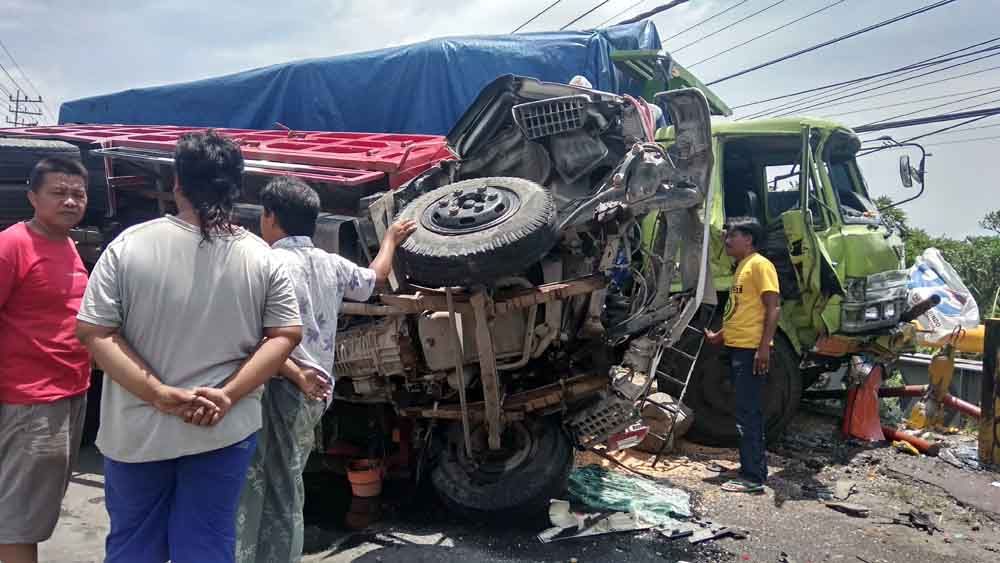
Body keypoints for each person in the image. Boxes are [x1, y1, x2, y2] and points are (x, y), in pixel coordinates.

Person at [75, 131, 303, 563]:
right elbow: (286, 335)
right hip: (224, 428)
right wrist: (227, 395)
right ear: (237, 187)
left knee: (133, 545)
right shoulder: (262, 257)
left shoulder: (129, 245)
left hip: (137, 431)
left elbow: (95, 332)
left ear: (177, 182)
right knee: (206, 543)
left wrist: (160, 395)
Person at [235, 176, 416, 563]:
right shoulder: (330, 264)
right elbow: (375, 279)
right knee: (289, 475)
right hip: (318, 390)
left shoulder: (266, 264)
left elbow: (258, 338)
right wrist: (390, 242)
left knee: (263, 483)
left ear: (269, 217)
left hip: (281, 384)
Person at [0, 157, 91, 563]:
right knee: (19, 519)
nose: (70, 201)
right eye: (59, 192)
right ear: (32, 197)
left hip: (70, 391)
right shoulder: (12, 246)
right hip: (30, 399)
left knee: (35, 510)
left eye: (78, 193)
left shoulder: (67, 243)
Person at [705, 217, 780, 494]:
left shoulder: (761, 265)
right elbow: (741, 311)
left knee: (749, 413)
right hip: (738, 347)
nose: (726, 241)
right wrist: (720, 335)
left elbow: (773, 309)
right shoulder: (742, 268)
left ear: (748, 239)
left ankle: (753, 477)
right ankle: (749, 467)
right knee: (743, 411)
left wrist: (764, 348)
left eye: (732, 236)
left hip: (751, 351)